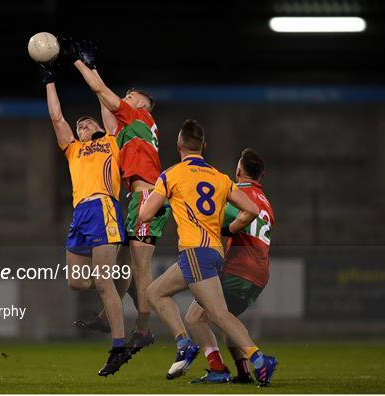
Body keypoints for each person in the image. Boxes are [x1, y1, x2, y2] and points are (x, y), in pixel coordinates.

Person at [139, 119, 278, 387]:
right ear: (204, 146)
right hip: (214, 253)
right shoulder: (220, 177)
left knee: (218, 314)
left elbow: (144, 215)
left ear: (179, 145)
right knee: (155, 292)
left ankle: (259, 358)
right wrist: (232, 228)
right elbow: (251, 210)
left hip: (194, 251)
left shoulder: (171, 175)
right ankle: (210, 361)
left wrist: (155, 203)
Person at [64, 40, 170, 354]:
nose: (125, 97)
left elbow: (102, 90)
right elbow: (106, 108)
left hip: (147, 196)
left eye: (130, 95)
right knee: (124, 265)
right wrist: (95, 73)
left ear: (141, 103)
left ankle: (143, 329)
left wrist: (80, 63)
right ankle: (105, 317)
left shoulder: (138, 116)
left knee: (139, 268)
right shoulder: (131, 128)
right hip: (138, 198)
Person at [40, 64, 130, 376]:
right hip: (80, 214)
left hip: (104, 208)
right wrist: (50, 81)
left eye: (87, 122)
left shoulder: (111, 142)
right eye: (79, 126)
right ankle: (119, 289)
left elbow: (106, 105)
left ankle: (119, 347)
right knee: (77, 282)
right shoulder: (74, 150)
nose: (82, 126)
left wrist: (90, 68)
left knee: (103, 282)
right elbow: (56, 118)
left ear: (98, 126)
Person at [184, 148, 275, 384]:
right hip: (260, 273)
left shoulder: (237, 193)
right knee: (225, 318)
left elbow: (215, 215)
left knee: (195, 317)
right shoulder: (265, 201)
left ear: (239, 170)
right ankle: (244, 370)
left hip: (239, 268)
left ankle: (255, 360)